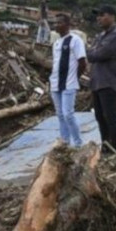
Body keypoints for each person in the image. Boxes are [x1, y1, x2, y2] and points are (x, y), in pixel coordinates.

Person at [87, 5, 116, 155]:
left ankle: (114, 150)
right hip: (97, 81)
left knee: (109, 116)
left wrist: (93, 52)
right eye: (97, 15)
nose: (98, 18)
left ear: (112, 16)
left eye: (102, 15)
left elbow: (98, 54)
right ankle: (105, 146)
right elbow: (91, 53)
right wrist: (93, 52)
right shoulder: (100, 36)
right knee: (99, 116)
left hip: (108, 81)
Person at [49, 13, 87, 147]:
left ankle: (78, 144)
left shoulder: (75, 40)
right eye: (54, 23)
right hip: (55, 83)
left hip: (69, 84)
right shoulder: (57, 43)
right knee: (60, 115)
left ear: (67, 24)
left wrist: (75, 77)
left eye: (59, 22)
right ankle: (65, 142)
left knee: (68, 114)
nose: (56, 25)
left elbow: (82, 62)